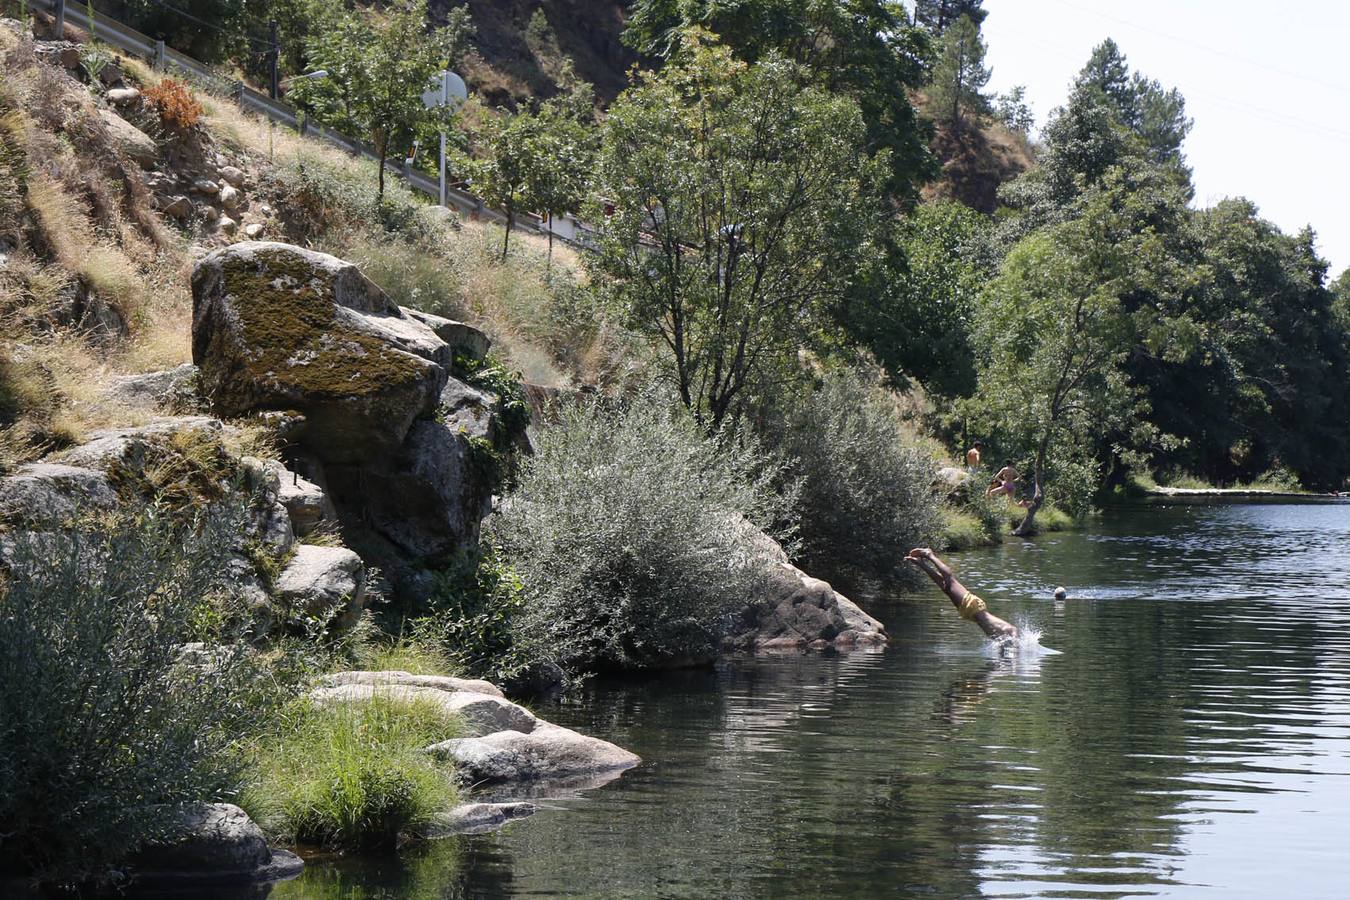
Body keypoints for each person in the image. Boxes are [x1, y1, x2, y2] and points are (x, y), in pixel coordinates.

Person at [905, 548, 1017, 640]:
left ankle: (922, 564)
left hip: (970, 611)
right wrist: (1016, 662)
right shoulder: (1011, 632)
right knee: (950, 580)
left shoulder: (1004, 638)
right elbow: (1014, 631)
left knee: (946, 587)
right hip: (973, 607)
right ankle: (929, 555)